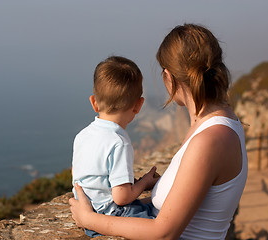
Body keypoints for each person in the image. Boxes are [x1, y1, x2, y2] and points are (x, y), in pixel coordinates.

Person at [69, 23, 248, 240]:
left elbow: (164, 233)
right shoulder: (215, 125)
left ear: (169, 77)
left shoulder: (210, 139)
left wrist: (89, 219)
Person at [72, 56, 160, 237]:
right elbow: (121, 197)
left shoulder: (82, 136)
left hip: (87, 209)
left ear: (94, 102)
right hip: (111, 215)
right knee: (165, 222)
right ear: (139, 105)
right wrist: (145, 183)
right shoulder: (119, 142)